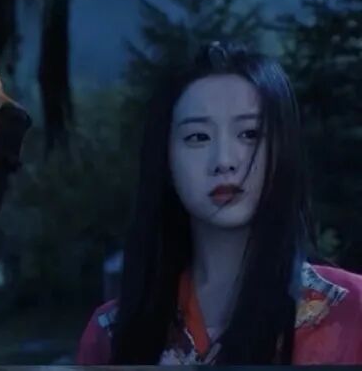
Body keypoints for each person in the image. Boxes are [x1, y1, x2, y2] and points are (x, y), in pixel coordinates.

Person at [76, 41, 362, 365]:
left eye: (250, 134)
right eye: (198, 137)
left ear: (284, 150)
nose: (224, 161)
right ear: (165, 160)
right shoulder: (112, 332)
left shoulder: (353, 311)